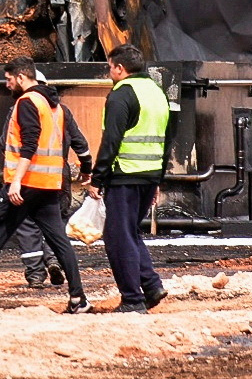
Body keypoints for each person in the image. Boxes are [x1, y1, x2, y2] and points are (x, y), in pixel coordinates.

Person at [0, 56, 93, 314]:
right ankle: (78, 298)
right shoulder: (56, 108)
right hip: (50, 185)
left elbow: (29, 145)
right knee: (59, 241)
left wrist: (16, 181)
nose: (6, 85)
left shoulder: (26, 102)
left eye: (8, 79)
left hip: (25, 185)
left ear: (21, 77)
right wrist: (87, 170)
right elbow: (75, 144)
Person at [86, 43, 176, 313]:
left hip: (124, 175)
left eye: (110, 67)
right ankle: (150, 285)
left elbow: (111, 140)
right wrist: (158, 177)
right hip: (148, 176)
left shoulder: (121, 94)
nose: (109, 72)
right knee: (130, 233)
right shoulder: (156, 92)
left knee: (117, 239)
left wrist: (97, 179)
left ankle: (132, 300)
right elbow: (167, 138)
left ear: (120, 68)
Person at [4, 70, 91, 288]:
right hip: (57, 177)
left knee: (26, 224)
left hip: (27, 177)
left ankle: (35, 273)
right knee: (56, 222)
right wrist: (87, 170)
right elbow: (80, 144)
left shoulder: (21, 107)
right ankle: (53, 259)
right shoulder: (62, 111)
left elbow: (4, 143)